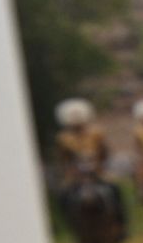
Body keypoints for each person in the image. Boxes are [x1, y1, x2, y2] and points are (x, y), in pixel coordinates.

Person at [54, 97, 125, 226]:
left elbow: (105, 152)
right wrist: (70, 171)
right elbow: (63, 159)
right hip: (76, 175)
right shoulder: (63, 138)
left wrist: (99, 164)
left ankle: (121, 222)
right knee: (63, 195)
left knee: (114, 189)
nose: (76, 122)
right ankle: (71, 226)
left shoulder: (96, 133)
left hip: (97, 171)